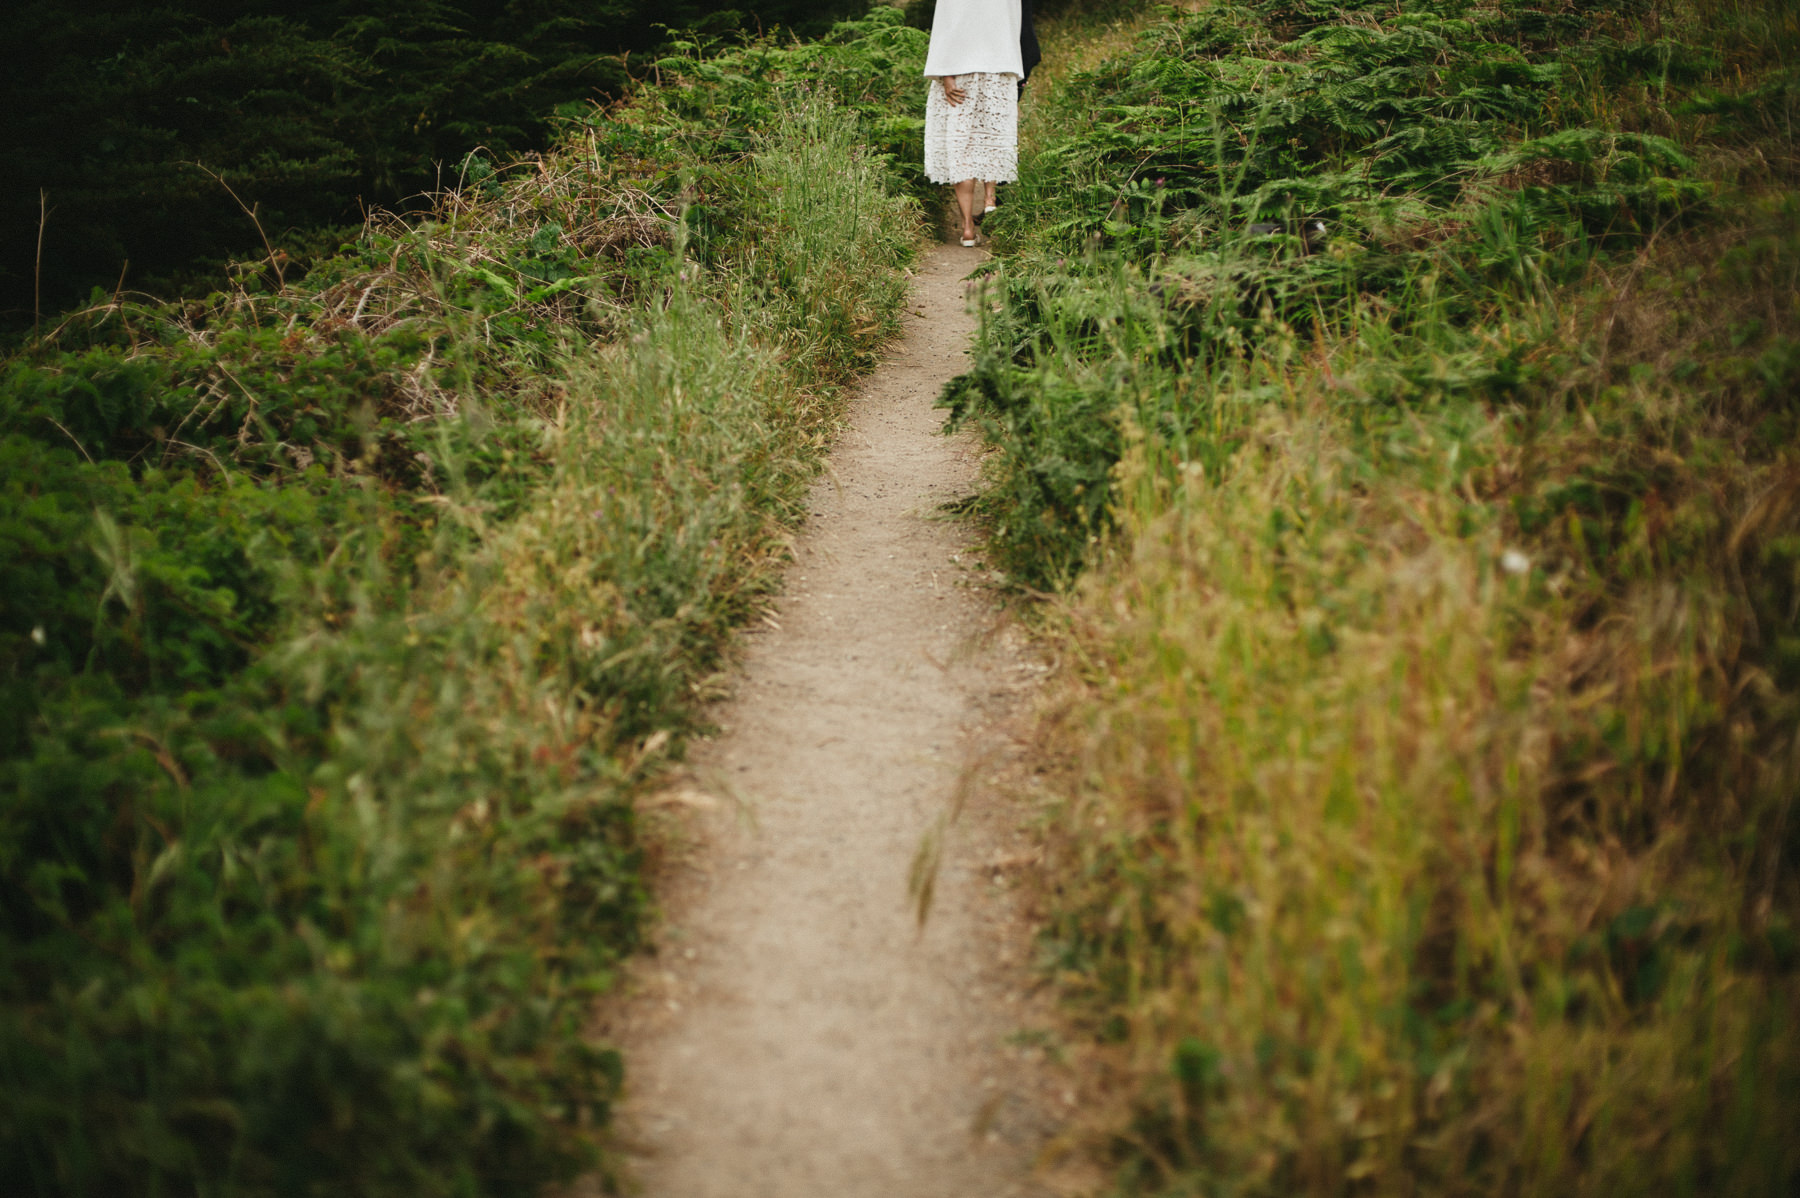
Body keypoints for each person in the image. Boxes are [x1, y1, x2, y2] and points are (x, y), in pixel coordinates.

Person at [923, 0, 1028, 247]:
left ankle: (967, 228)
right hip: (999, 72)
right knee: (989, 139)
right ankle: (989, 201)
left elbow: (944, 29)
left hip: (960, 74)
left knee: (962, 148)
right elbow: (1015, 29)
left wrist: (945, 76)